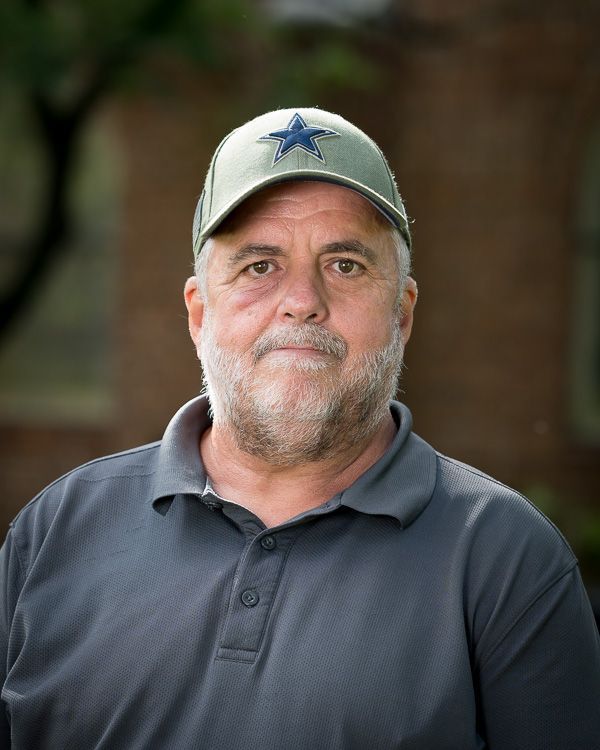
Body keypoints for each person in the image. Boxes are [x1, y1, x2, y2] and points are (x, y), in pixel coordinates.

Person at [1, 107, 599, 749]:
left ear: (402, 314)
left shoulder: (505, 558)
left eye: (345, 264)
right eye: (260, 266)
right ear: (200, 313)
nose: (302, 300)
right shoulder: (57, 529)